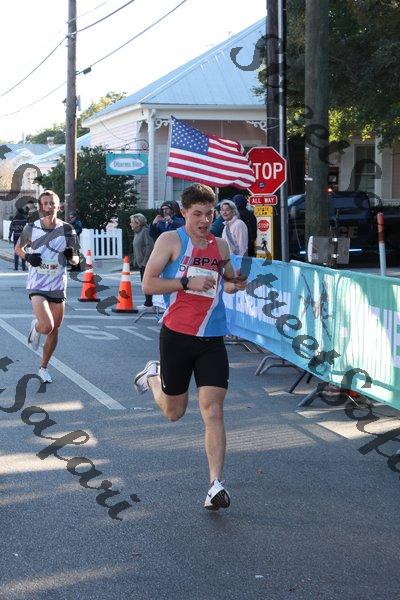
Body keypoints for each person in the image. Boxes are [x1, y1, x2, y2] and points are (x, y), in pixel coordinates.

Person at [133, 183, 247, 511]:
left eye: (209, 214)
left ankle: (215, 485)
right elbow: (148, 284)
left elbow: (228, 281)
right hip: (177, 336)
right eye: (197, 214)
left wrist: (235, 284)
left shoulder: (220, 245)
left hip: (212, 337)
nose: (204, 220)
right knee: (175, 412)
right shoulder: (171, 240)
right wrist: (186, 283)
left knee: (213, 410)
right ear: (184, 212)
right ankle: (152, 376)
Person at [15, 190, 80, 383]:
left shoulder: (67, 229)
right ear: (40, 207)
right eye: (45, 203)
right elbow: (18, 248)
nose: (49, 206)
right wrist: (28, 256)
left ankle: (43, 367)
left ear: (59, 206)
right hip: (37, 282)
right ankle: (36, 327)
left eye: (52, 203)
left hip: (58, 283)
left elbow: (76, 259)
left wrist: (71, 256)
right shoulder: (31, 228)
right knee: (46, 325)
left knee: (54, 329)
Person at [130, 213, 154, 311]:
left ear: (138, 223)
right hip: (141, 263)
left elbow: (150, 246)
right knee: (144, 282)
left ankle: (149, 304)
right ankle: (148, 302)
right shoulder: (137, 232)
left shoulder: (145, 231)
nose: (130, 224)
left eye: (132, 222)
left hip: (146, 263)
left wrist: (144, 261)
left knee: (146, 283)